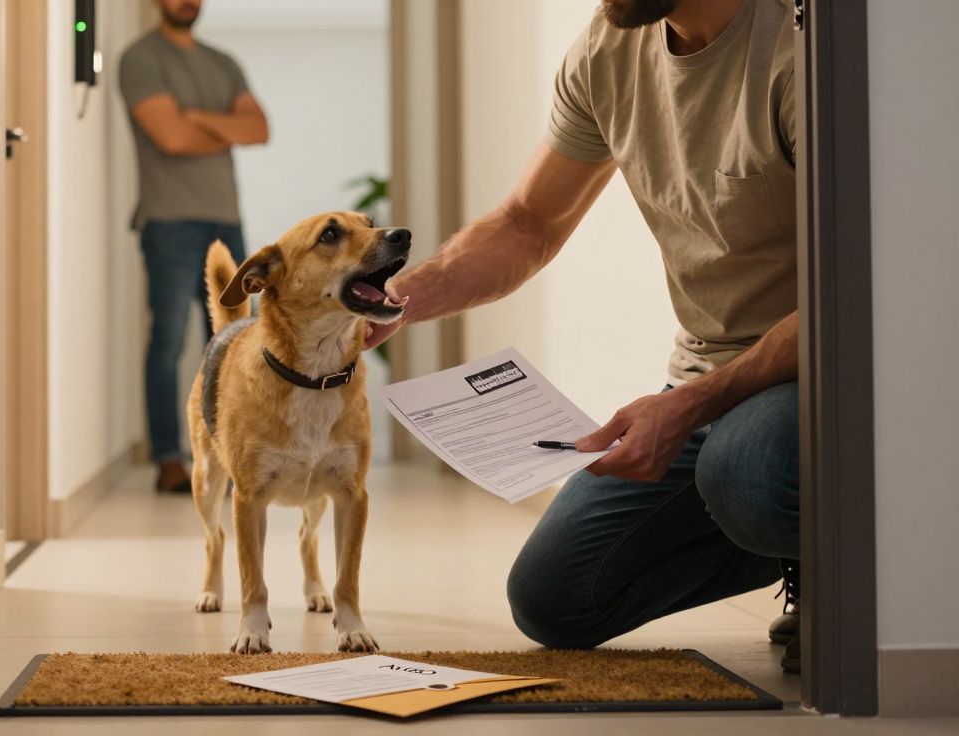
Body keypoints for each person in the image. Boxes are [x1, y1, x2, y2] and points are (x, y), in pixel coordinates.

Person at [366, 0, 803, 672]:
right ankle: (794, 533)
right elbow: (527, 224)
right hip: (704, 378)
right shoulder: (608, 48)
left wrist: (692, 405)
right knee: (555, 599)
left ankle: (836, 573)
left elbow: (856, 294)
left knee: (747, 474)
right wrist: (401, 298)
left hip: (812, 374)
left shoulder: (800, 48)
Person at [119, 0, 269, 492]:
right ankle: (168, 459)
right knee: (168, 342)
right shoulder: (142, 59)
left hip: (226, 222)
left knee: (240, 341)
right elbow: (172, 139)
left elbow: (259, 129)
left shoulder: (222, 63)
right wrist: (224, 128)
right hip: (169, 224)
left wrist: (197, 117)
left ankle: (236, 453)